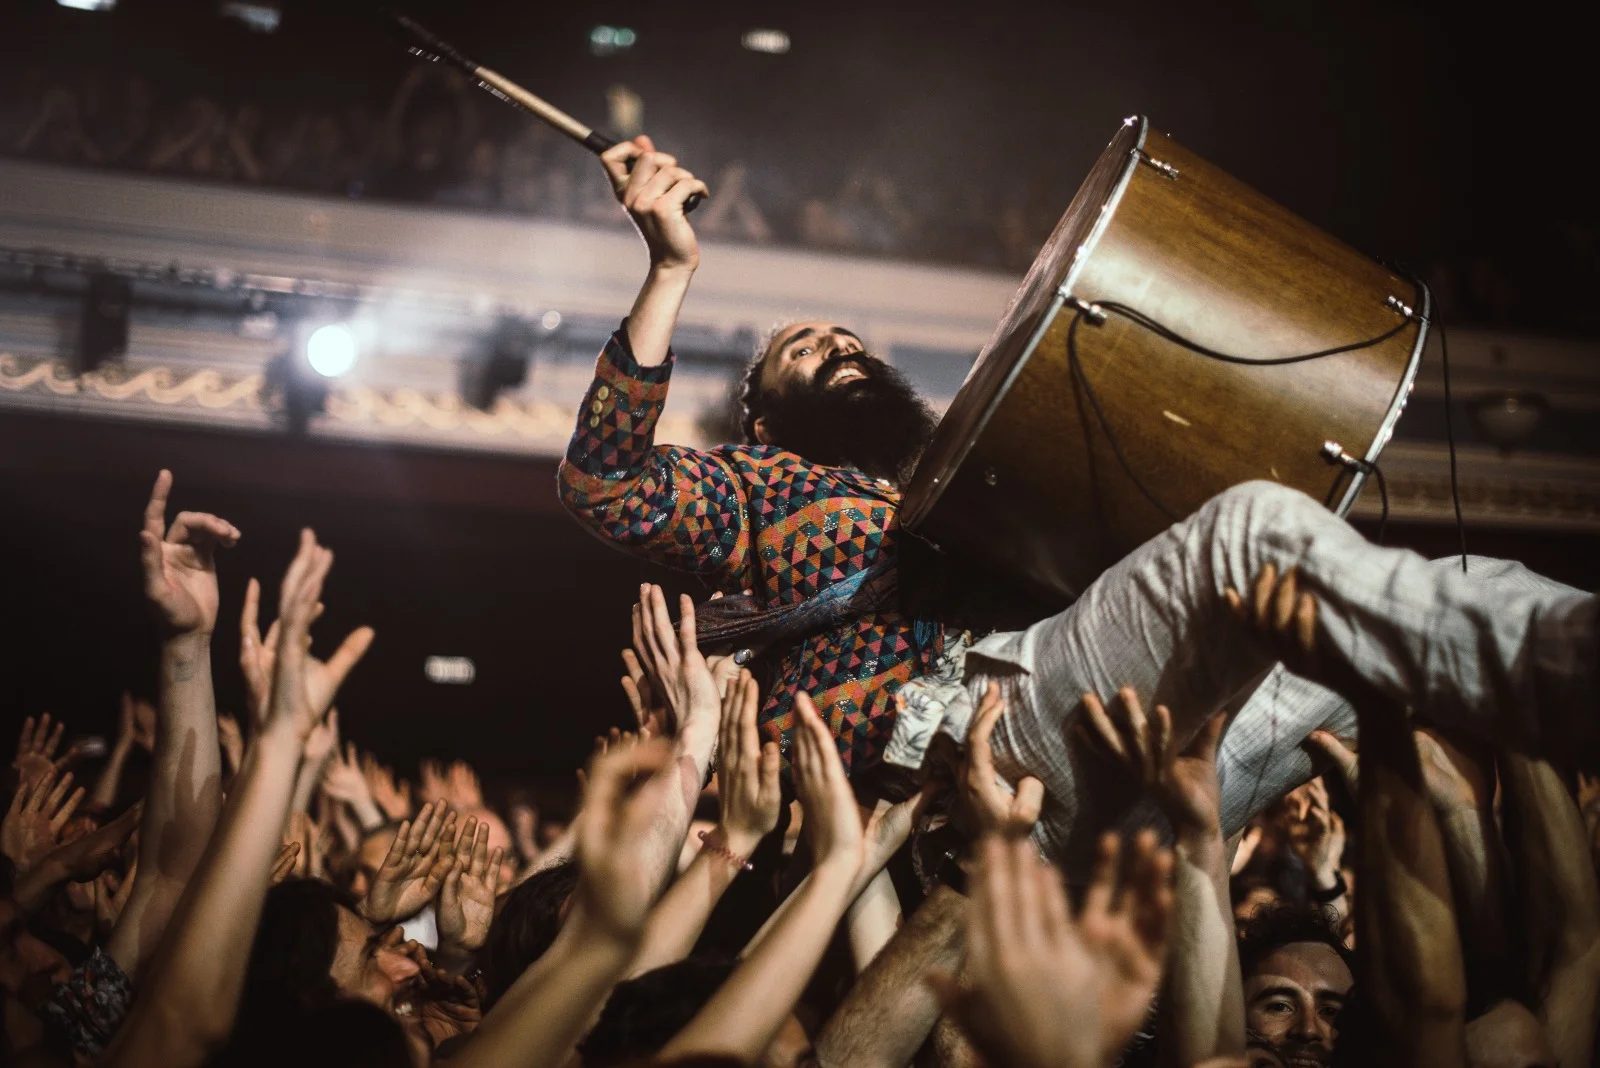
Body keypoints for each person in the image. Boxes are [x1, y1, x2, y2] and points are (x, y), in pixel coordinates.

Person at [556, 133, 1598, 874]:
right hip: (969, 758)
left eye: (847, 340)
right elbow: (606, 486)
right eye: (801, 349)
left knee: (1462, 581)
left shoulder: (969, 475)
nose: (837, 345)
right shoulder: (754, 487)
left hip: (1128, 744)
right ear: (766, 420)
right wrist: (670, 267)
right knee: (1250, 531)